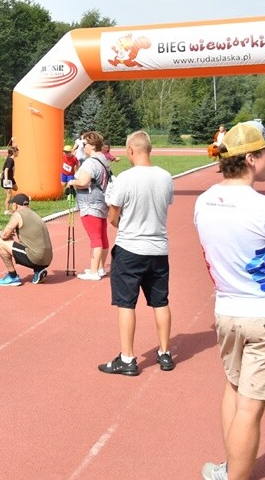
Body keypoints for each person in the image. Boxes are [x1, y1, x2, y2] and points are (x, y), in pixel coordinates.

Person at [194, 120, 265, 480]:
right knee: (250, 410)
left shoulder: (204, 200)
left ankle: (229, 469)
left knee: (233, 388)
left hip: (227, 310)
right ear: (250, 159)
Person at [97, 131, 174, 377]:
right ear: (149, 149)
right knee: (160, 301)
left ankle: (128, 358)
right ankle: (164, 353)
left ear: (131, 150)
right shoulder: (165, 177)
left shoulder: (125, 179)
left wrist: (120, 219)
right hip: (158, 249)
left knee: (126, 304)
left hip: (130, 248)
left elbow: (113, 217)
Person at [68, 131, 111, 281]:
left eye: (84, 144)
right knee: (102, 236)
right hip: (101, 202)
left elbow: (83, 182)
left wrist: (72, 182)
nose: (82, 147)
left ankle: (93, 272)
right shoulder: (103, 159)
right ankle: (99, 268)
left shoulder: (91, 162)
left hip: (90, 204)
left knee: (95, 238)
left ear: (92, 146)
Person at [0, 193, 52, 286]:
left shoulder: (18, 214)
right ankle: (39, 270)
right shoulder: (35, 214)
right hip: (47, 259)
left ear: (15, 205)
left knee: (0, 243)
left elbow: (4, 235)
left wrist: (3, 233)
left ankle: (12, 277)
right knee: (30, 246)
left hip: (36, 257)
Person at [1, 147, 17, 214]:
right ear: (14, 152)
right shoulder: (10, 160)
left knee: (16, 188)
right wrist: (6, 179)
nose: (18, 153)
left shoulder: (11, 159)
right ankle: (7, 210)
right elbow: (6, 170)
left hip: (11, 178)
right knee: (9, 195)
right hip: (7, 179)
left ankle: (13, 202)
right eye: (17, 151)